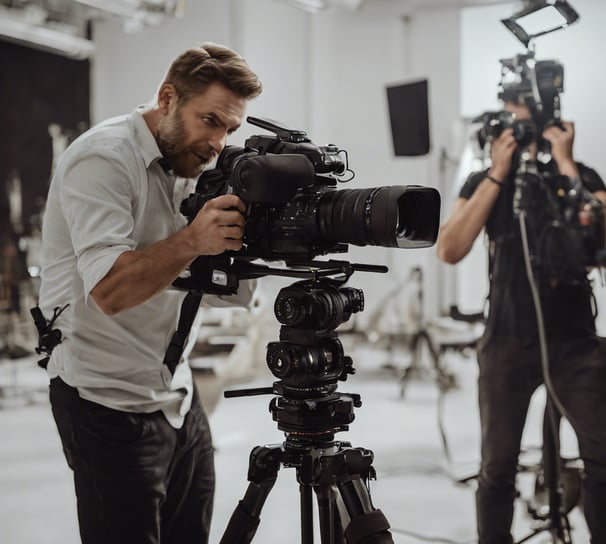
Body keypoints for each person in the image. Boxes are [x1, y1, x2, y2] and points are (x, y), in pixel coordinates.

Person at [38, 43, 262, 544]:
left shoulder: (196, 165)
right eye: (210, 120)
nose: (218, 143)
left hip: (177, 396)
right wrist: (194, 240)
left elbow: (217, 288)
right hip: (106, 401)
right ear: (167, 98)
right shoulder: (102, 160)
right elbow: (110, 291)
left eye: (230, 129)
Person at [437, 98, 606, 543]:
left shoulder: (580, 178)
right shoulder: (487, 181)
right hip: (506, 342)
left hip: (576, 342)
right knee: (497, 465)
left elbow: (603, 235)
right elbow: (449, 249)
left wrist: (567, 163)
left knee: (602, 456)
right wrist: (497, 172)